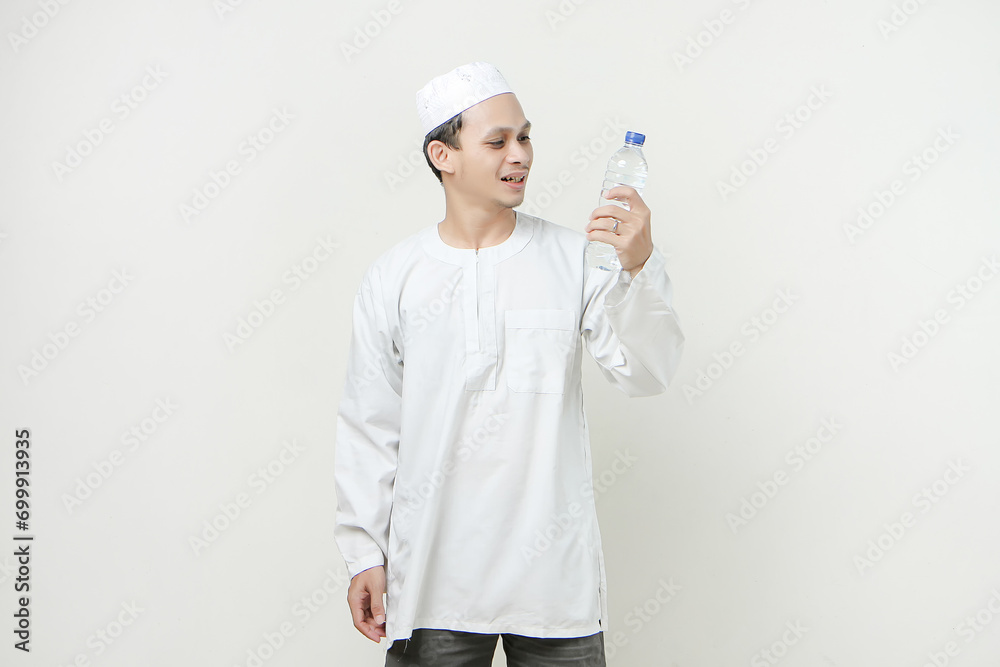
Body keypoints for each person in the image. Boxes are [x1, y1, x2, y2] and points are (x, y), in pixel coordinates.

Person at [333, 61, 684, 666]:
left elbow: (646, 373)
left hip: (552, 586)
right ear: (443, 155)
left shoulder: (577, 258)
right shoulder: (396, 277)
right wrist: (365, 552)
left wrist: (639, 267)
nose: (519, 154)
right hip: (434, 579)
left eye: (524, 136)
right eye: (497, 141)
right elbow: (370, 422)